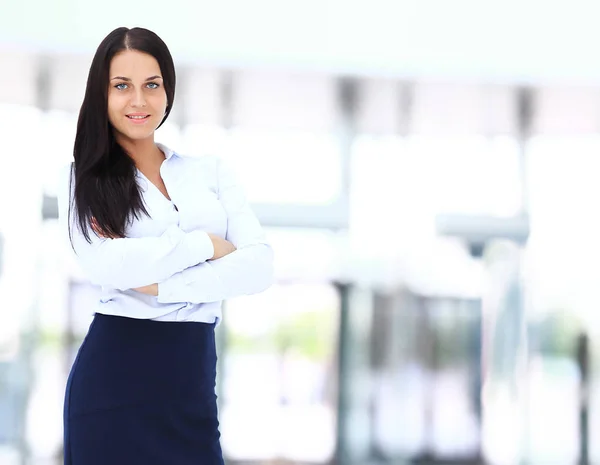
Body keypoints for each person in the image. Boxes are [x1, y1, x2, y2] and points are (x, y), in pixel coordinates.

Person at [57, 26, 274, 465]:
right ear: (102, 94)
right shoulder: (83, 179)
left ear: (167, 91)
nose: (139, 100)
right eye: (122, 86)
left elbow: (259, 267)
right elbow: (108, 267)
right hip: (112, 382)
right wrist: (205, 245)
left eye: (151, 85)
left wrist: (160, 284)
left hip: (190, 383)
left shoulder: (210, 172)